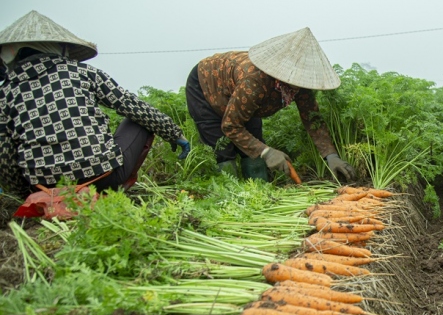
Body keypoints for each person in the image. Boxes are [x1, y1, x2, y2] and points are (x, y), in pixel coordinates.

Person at [0, 11, 191, 199]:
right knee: (138, 119)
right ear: (59, 47)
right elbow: (133, 106)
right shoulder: (81, 72)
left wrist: (22, 194)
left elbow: (5, 155)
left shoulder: (6, 92)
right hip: (101, 179)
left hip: (43, 189)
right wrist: (174, 133)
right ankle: (115, 190)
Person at [185, 27, 355, 182]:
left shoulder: (301, 87)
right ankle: (229, 197)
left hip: (242, 100)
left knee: (253, 143)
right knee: (222, 148)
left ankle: (259, 191)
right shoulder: (254, 81)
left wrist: (331, 156)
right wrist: (267, 152)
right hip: (206, 87)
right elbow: (230, 125)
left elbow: (312, 119)